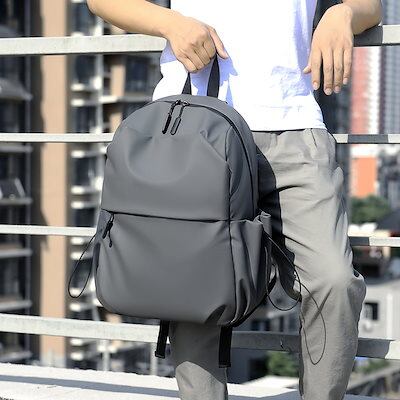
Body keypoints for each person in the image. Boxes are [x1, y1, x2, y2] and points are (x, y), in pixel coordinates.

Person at [87, 1, 382, 399]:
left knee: (334, 281)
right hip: (196, 122)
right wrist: (170, 23)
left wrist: (341, 14)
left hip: (294, 127)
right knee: (191, 284)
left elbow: (371, 6)